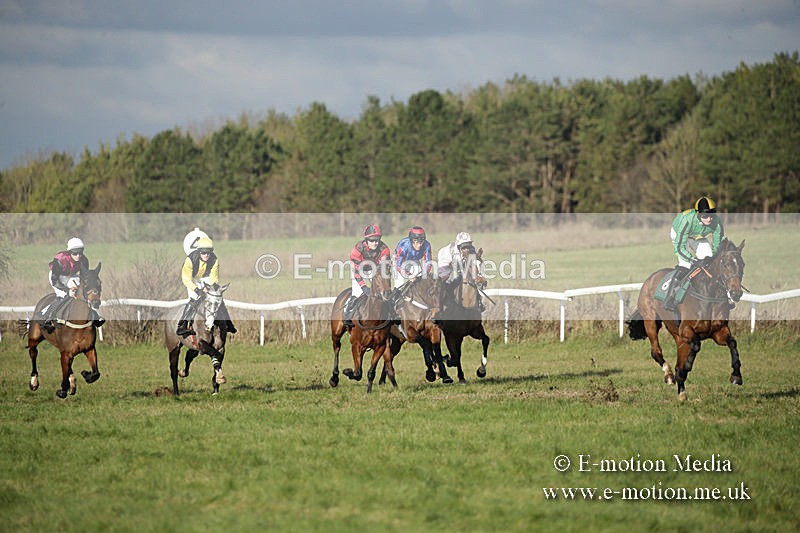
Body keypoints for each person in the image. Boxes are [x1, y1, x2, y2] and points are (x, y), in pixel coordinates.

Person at [664, 196, 725, 311]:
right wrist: (693, 260)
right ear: (698, 214)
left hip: (699, 236)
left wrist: (712, 259)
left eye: (711, 215)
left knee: (709, 263)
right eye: (705, 216)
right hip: (679, 235)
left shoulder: (717, 222)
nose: (709, 219)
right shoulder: (687, 220)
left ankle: (718, 295)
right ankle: (671, 297)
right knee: (686, 266)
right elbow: (679, 247)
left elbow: (717, 245)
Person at [175, 235, 237, 337]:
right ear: (199, 252)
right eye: (203, 253)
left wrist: (211, 289)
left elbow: (214, 277)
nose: (206, 255)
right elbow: (186, 278)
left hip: (206, 278)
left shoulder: (214, 259)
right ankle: (182, 325)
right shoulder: (190, 260)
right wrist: (196, 289)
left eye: (208, 252)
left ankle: (228, 323)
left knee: (216, 297)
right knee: (195, 298)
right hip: (192, 279)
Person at [42, 237, 104, 330]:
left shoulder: (84, 260)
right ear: (69, 252)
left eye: (80, 253)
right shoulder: (60, 259)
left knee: (83, 293)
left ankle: (95, 316)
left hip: (71, 276)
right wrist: (67, 290)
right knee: (63, 295)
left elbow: (84, 279)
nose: (78, 256)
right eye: (75, 253)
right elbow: (55, 280)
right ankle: (47, 316)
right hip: (57, 277)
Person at [342, 224, 391, 328]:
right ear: (366, 240)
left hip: (375, 270)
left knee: (382, 293)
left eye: (377, 240)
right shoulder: (358, 248)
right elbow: (356, 271)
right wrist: (364, 286)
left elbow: (385, 269)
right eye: (372, 240)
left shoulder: (384, 249)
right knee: (358, 293)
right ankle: (348, 316)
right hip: (359, 270)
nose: (374, 243)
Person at [437, 231, 485, 311]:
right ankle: (440, 306)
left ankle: (479, 303)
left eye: (468, 246)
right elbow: (444, 270)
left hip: (461, 267)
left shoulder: (472, 250)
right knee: (446, 283)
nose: (466, 249)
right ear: (459, 247)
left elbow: (475, 264)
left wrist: (479, 276)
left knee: (472, 282)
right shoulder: (448, 252)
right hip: (447, 266)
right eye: (464, 247)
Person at [392, 226, 433, 296]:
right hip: (400, 262)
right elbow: (398, 265)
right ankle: (395, 300)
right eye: (416, 242)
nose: (419, 245)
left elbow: (428, 263)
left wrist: (424, 274)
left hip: (414, 260)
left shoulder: (427, 245)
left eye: (421, 242)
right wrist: (409, 275)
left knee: (421, 281)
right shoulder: (404, 246)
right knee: (400, 284)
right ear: (411, 240)